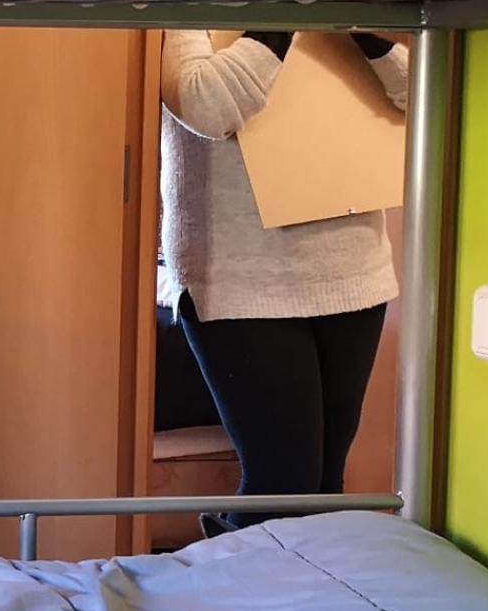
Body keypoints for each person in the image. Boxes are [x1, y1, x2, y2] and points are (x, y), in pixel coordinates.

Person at [161, 30, 410, 533]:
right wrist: (284, 17)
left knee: (325, 480)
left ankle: (292, 583)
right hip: (241, 279)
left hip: (353, 269)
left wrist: (361, 28)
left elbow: (418, 98)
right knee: (281, 477)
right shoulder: (190, 6)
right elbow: (205, 106)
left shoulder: (346, 7)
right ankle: (236, 577)